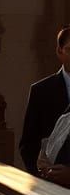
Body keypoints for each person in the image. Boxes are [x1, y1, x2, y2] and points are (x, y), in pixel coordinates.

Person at [19, 25, 70, 175]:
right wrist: (42, 178)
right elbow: (28, 144)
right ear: (59, 51)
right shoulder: (41, 90)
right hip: (50, 186)